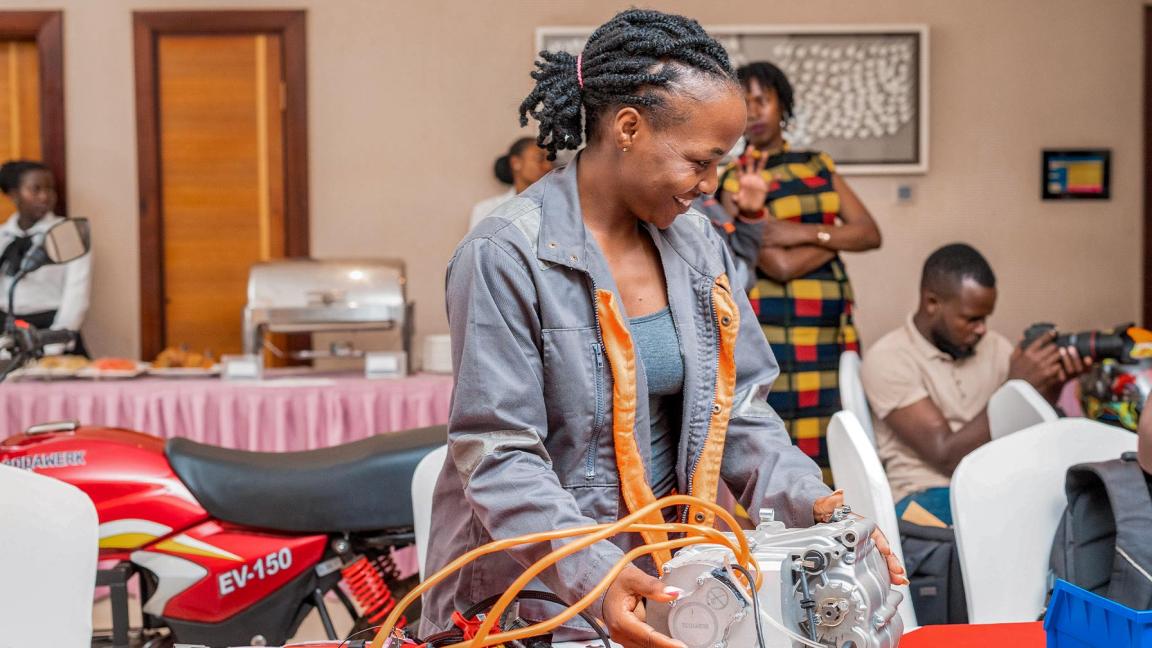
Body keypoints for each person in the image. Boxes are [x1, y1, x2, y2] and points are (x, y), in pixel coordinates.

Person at [422, 10, 904, 648]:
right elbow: (498, 451)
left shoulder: (697, 242)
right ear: (628, 127)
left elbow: (738, 414)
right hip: (533, 601)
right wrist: (594, 570)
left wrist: (814, 502)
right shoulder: (505, 255)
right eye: (701, 162)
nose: (711, 187)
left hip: (667, 575)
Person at [717, 62, 882, 484]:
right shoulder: (736, 177)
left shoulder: (818, 165)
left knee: (837, 431)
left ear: (782, 105)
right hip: (773, 335)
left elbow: (870, 234)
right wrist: (832, 240)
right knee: (779, 435)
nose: (754, 111)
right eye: (745, 102)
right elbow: (777, 264)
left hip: (829, 332)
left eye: (763, 100)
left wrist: (793, 231)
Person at [861, 243, 1088, 525]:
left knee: (1081, 506)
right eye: (972, 319)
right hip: (921, 495)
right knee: (1038, 523)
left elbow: (1022, 427)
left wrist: (1052, 385)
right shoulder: (888, 358)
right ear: (932, 303)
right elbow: (944, 454)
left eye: (986, 318)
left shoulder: (994, 346)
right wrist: (1014, 386)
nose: (982, 329)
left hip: (991, 484)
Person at [0, 160, 91, 356]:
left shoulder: (68, 233)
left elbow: (76, 294)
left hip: (52, 330)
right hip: (9, 332)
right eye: (35, 189)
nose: (45, 197)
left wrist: (52, 345)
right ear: (14, 194)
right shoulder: (2, 237)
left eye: (50, 189)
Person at [468, 136, 553, 230]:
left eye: (550, 160)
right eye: (539, 159)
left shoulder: (556, 206)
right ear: (516, 163)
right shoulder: (487, 209)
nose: (548, 166)